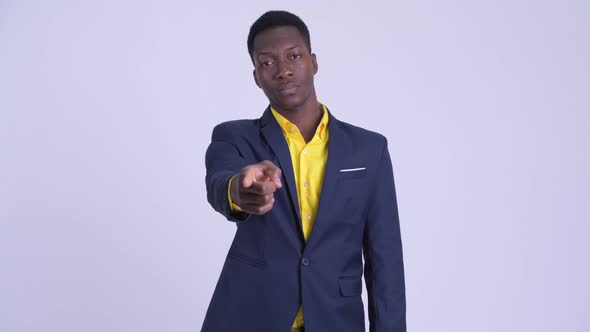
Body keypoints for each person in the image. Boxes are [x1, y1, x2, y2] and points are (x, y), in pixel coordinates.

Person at [202, 10, 406, 332]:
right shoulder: (234, 137)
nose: (283, 71)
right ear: (256, 76)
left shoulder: (370, 149)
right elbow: (220, 182)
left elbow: (386, 260)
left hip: (336, 321)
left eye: (294, 56)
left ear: (313, 62)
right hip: (251, 318)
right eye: (267, 62)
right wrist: (240, 191)